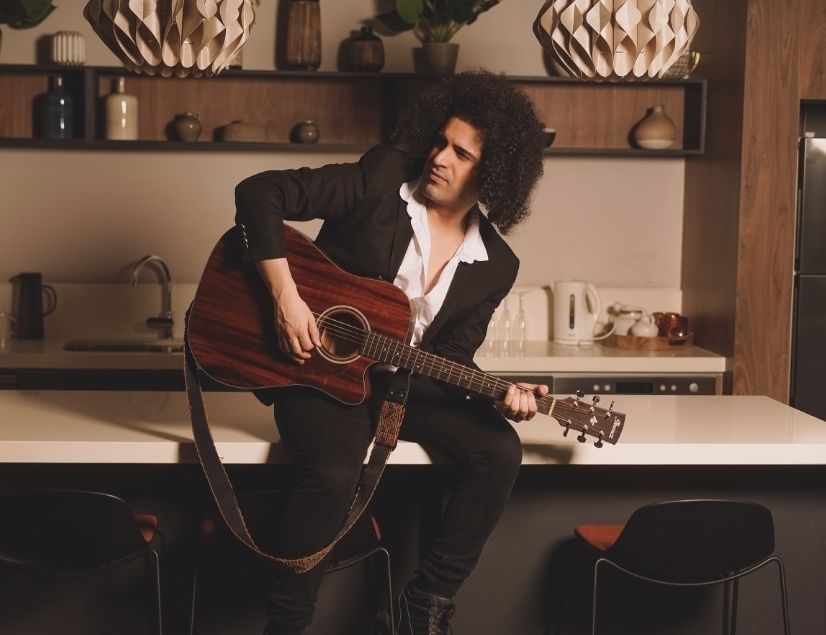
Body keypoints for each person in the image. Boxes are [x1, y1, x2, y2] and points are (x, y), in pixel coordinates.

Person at [234, 69, 547, 635]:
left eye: (461, 154)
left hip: (402, 387)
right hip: (319, 373)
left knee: (500, 450)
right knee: (334, 473)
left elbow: (451, 359)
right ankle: (287, 623)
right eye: (440, 142)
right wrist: (286, 299)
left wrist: (500, 394)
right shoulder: (381, 180)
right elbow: (259, 193)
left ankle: (425, 603)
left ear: (493, 174)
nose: (439, 158)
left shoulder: (496, 265)